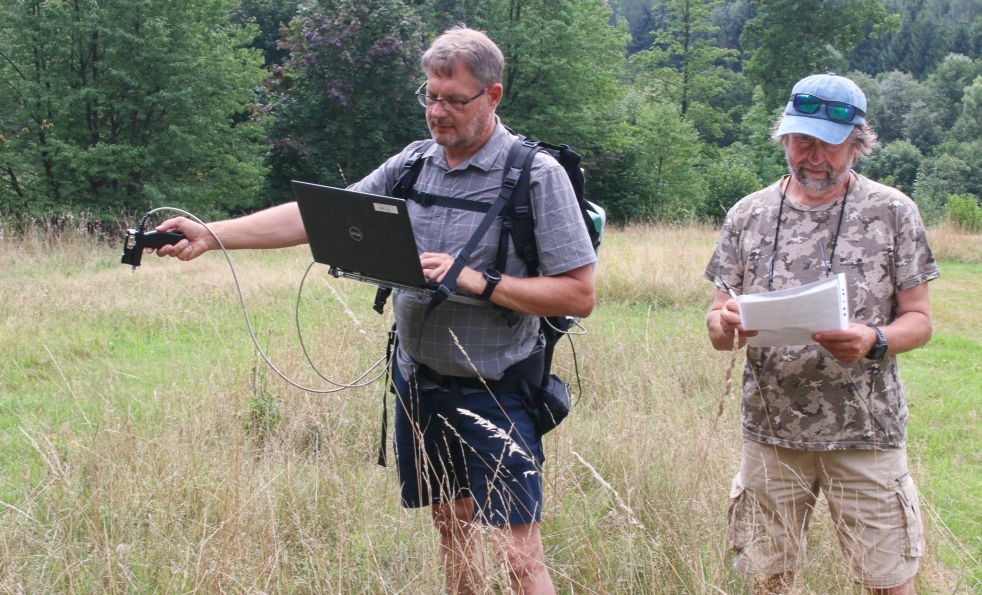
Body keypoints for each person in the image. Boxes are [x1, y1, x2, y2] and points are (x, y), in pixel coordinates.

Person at [153, 27, 595, 594]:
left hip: (500, 388)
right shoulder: (412, 166)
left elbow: (578, 294)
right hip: (420, 382)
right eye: (430, 96)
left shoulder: (534, 176)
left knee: (516, 555)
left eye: (454, 100)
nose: (437, 113)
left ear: (493, 95)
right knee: (452, 529)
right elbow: (317, 217)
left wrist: (476, 281)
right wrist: (212, 234)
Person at [704, 73, 939, 595]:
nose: (813, 157)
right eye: (801, 141)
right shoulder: (749, 214)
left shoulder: (893, 211)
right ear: (783, 138)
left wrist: (873, 339)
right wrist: (722, 324)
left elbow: (920, 321)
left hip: (867, 434)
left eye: (829, 145)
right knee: (767, 579)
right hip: (770, 433)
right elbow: (720, 321)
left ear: (857, 145)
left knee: (887, 581)